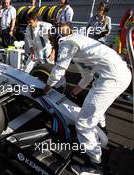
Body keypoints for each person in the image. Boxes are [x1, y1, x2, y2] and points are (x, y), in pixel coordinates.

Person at [42, 24, 131, 174]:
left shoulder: (66, 42)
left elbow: (59, 70)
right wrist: (73, 93)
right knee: (93, 106)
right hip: (118, 75)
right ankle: (101, 133)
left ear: (58, 36)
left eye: (51, 40)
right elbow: (87, 76)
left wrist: (45, 89)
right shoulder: (80, 41)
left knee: (83, 122)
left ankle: (95, 165)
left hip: (111, 78)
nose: (51, 43)